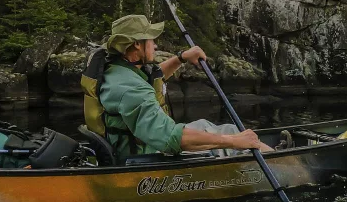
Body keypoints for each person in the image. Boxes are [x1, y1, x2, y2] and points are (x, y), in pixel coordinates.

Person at [84, 14, 273, 163]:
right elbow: (171, 138)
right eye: (151, 40)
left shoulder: (116, 71)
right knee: (232, 134)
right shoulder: (131, 90)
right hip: (145, 155)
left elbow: (153, 78)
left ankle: (275, 154)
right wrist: (234, 142)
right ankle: (285, 162)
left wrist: (181, 58)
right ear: (136, 44)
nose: (155, 44)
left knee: (215, 127)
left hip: (138, 146)